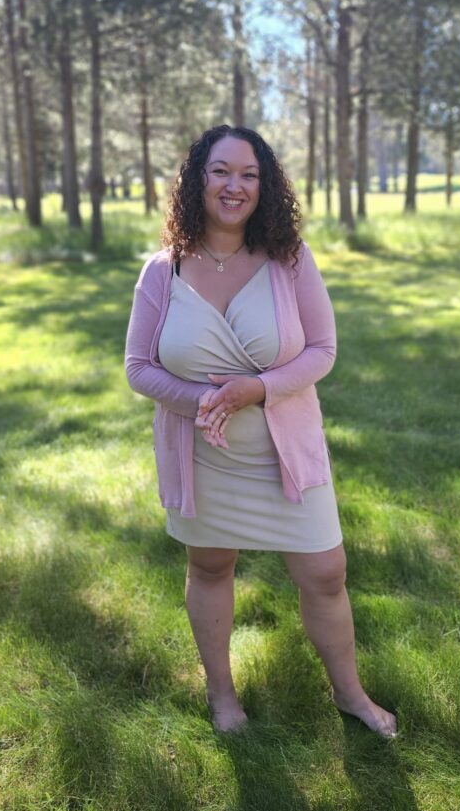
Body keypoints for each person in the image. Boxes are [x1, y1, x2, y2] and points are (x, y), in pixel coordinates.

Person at [125, 124, 397, 739]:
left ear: (265, 186)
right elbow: (138, 367)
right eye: (221, 171)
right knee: (211, 567)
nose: (235, 185)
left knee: (325, 572)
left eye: (249, 174)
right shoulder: (162, 271)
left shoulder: (289, 261)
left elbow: (323, 350)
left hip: (285, 454)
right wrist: (203, 400)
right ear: (197, 180)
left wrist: (258, 388)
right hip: (203, 454)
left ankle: (350, 693)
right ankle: (222, 695)